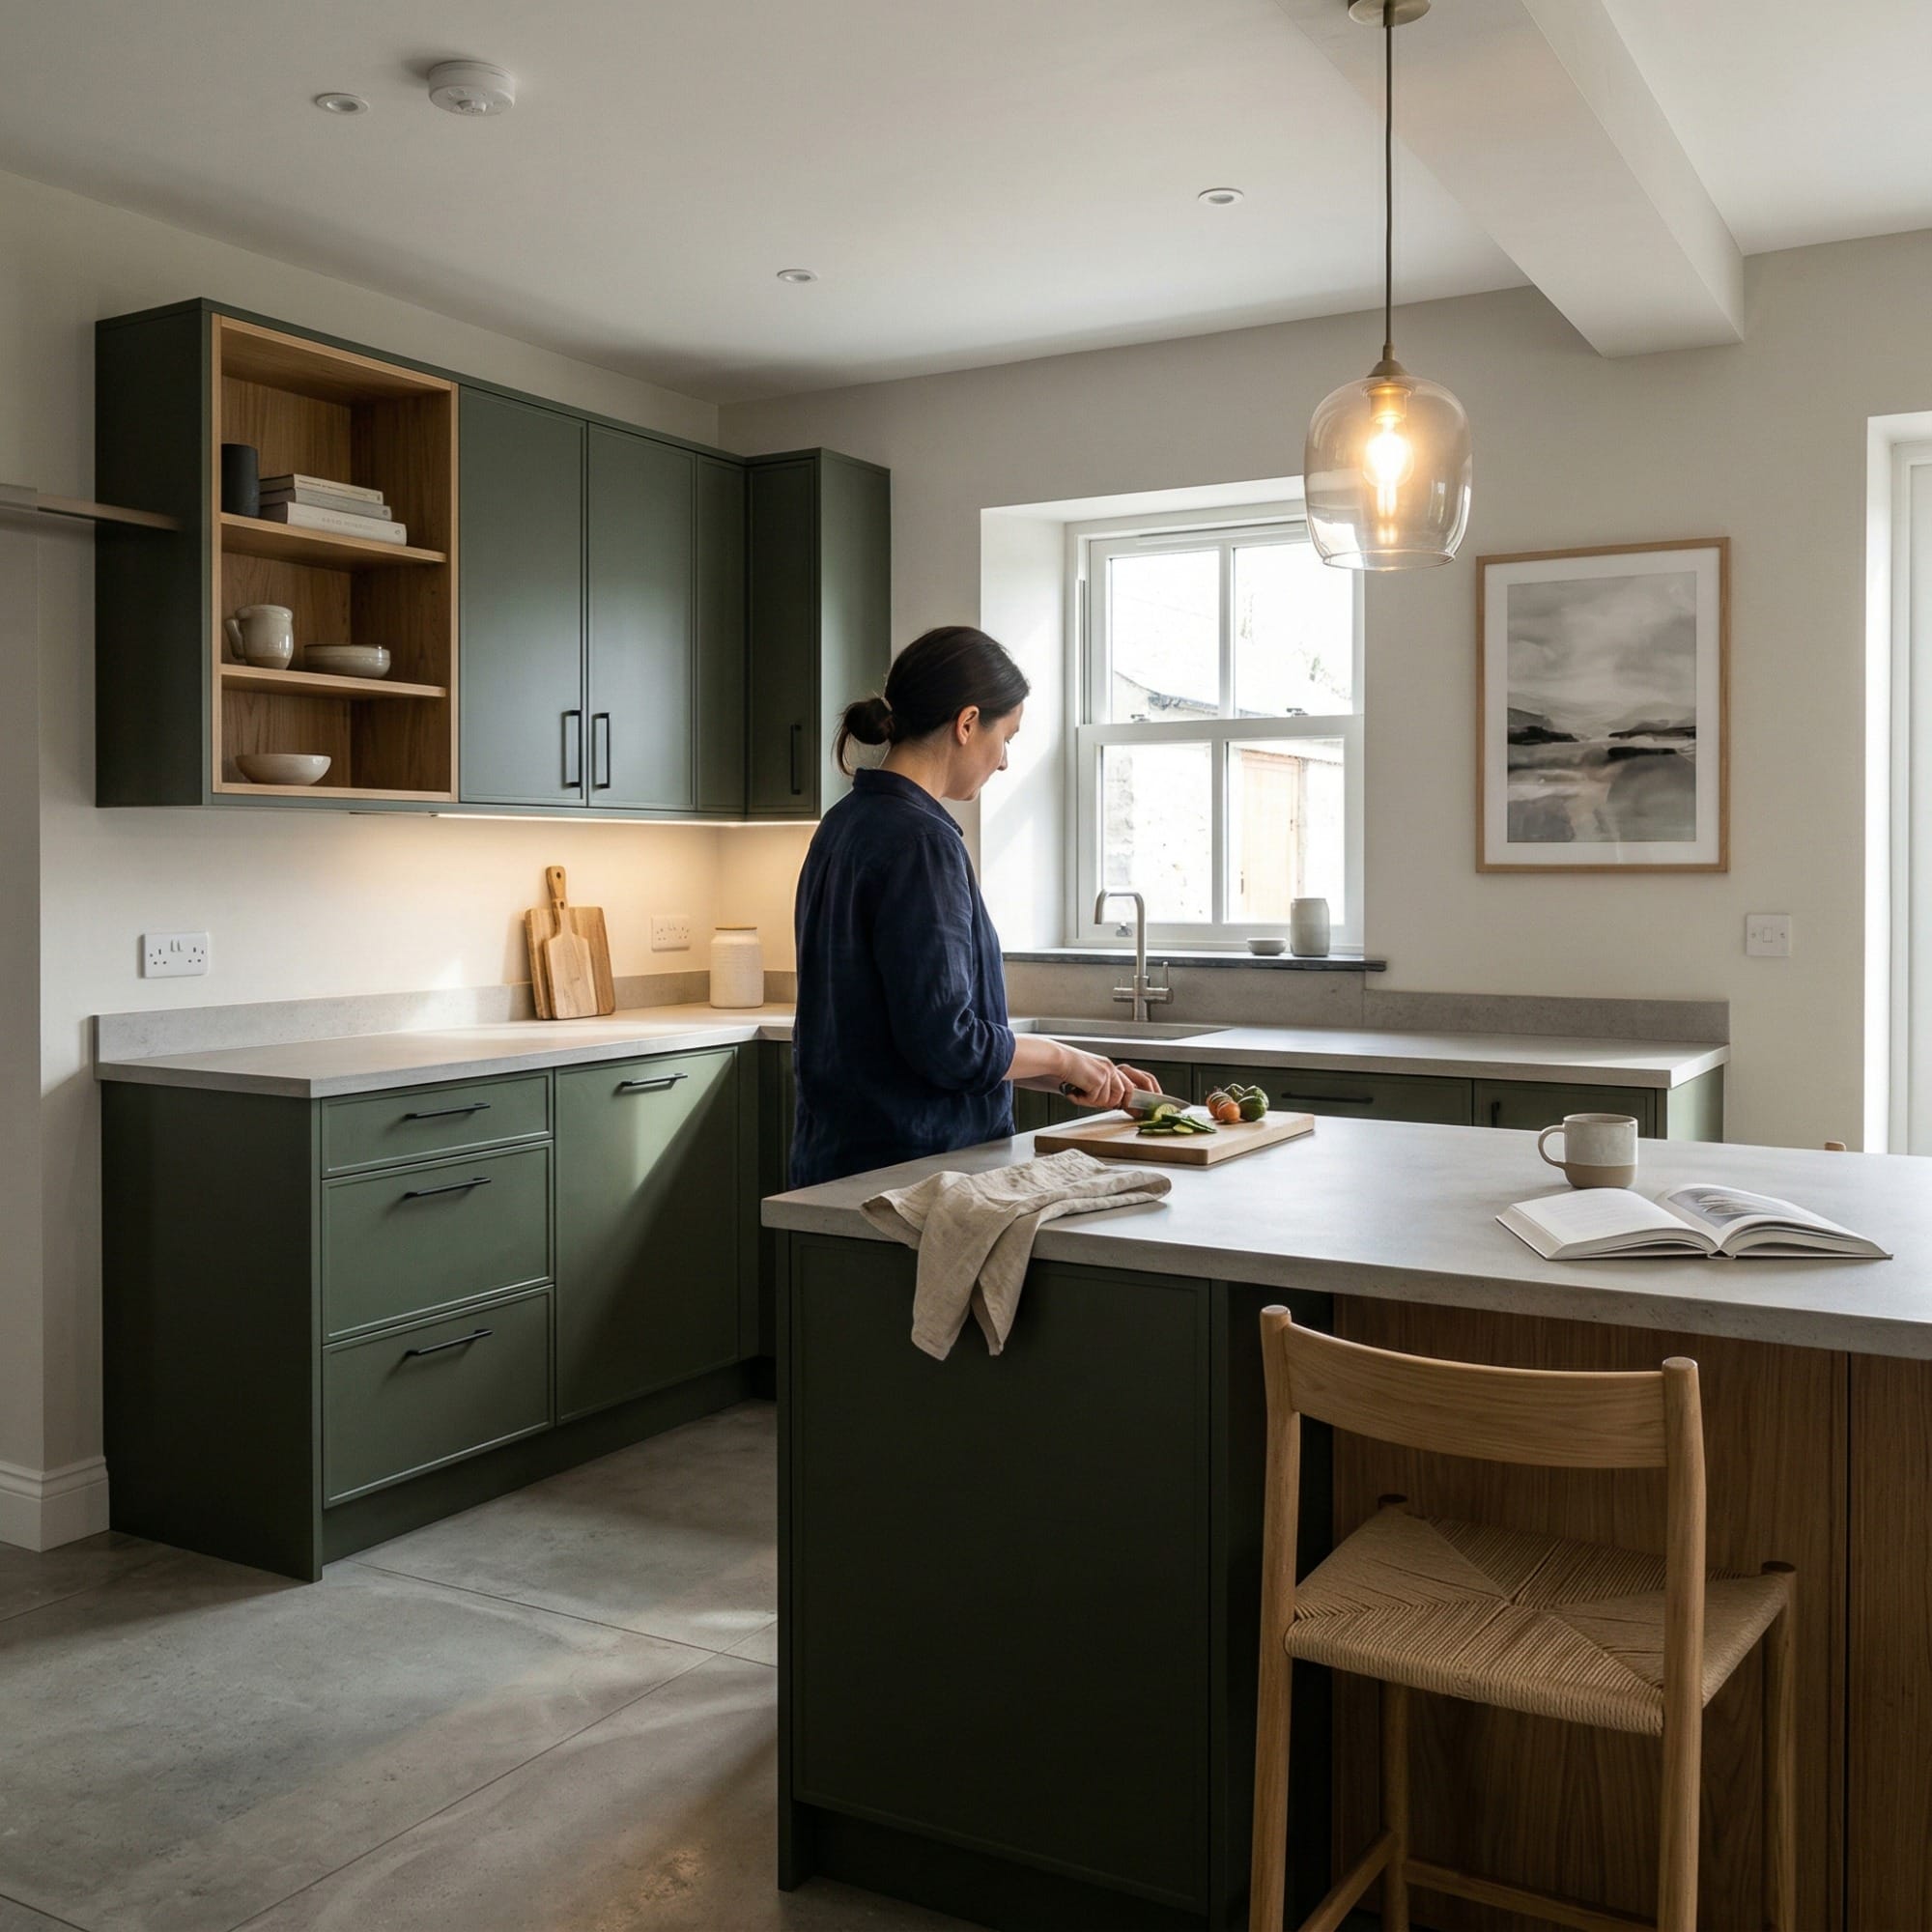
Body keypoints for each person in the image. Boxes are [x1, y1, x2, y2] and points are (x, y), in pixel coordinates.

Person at [790, 624, 1156, 1187]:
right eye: (1005, 736)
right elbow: (950, 1046)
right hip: (917, 1173)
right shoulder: (924, 844)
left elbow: (913, 1039)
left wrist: (1082, 1071)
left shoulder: (844, 824)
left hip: (839, 1162)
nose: (1005, 760)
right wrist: (1062, 1059)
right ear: (966, 724)